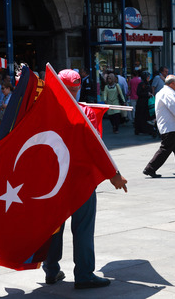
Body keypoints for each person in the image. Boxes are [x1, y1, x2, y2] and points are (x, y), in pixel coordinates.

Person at [43, 69, 128, 289]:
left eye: (74, 90)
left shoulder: (42, 111)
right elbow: (95, 146)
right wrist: (113, 174)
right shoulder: (86, 112)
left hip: (53, 181)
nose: (72, 94)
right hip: (80, 181)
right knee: (82, 228)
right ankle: (84, 274)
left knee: (54, 226)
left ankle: (51, 270)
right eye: (70, 90)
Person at [143, 75, 175, 178]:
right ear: (172, 83)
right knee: (165, 148)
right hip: (169, 126)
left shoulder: (166, 92)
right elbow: (174, 108)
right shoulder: (168, 93)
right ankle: (150, 168)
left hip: (171, 126)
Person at [135, 71, 155, 136]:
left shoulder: (148, 83)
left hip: (147, 103)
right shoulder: (141, 84)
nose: (149, 78)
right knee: (141, 117)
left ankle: (147, 129)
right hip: (142, 103)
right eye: (148, 76)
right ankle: (140, 130)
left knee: (147, 117)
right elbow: (138, 93)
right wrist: (146, 94)